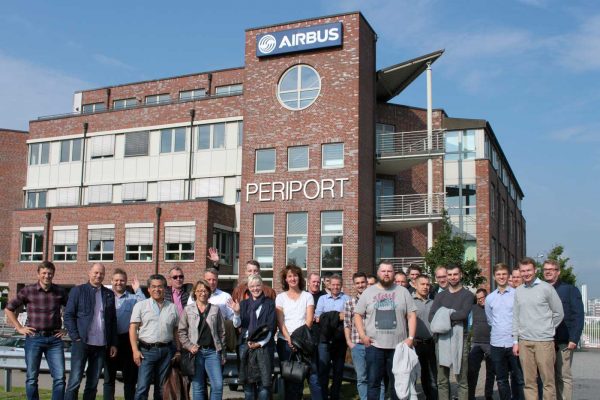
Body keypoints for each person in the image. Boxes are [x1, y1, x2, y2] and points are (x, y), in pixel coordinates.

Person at [5, 261, 68, 400]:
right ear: (38, 274)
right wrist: (19, 327)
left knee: (59, 378)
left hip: (54, 340)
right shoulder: (28, 291)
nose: (47, 276)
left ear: (53, 274)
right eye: (44, 273)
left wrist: (66, 329)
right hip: (34, 338)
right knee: (32, 378)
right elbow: (9, 308)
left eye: (50, 273)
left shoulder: (60, 292)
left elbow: (72, 310)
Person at [354, 261, 417, 400]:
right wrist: (363, 335)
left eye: (389, 271)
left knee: (398, 384)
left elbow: (412, 315)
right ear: (378, 273)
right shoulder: (368, 292)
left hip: (398, 347)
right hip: (375, 346)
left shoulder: (403, 292)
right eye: (383, 271)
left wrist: (411, 338)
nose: (386, 273)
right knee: (373, 384)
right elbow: (357, 314)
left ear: (393, 273)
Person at [512, 257, 564, 400]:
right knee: (529, 383)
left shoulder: (547, 288)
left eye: (528, 270)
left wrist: (547, 328)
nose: (526, 273)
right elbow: (516, 317)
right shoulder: (519, 291)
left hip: (544, 342)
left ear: (535, 270)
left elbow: (559, 312)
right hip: (524, 342)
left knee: (548, 382)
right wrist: (515, 341)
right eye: (523, 271)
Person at [63, 263, 117, 400]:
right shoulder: (78, 291)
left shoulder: (109, 294)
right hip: (81, 343)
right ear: (89, 273)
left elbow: (112, 321)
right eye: (96, 272)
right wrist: (75, 337)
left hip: (100, 345)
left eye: (101, 273)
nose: (98, 276)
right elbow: (68, 315)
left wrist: (113, 343)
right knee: (74, 381)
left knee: (92, 383)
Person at [428, 264, 474, 400]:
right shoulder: (440, 296)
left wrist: (443, 314)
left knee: (462, 380)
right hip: (441, 340)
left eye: (455, 274)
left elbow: (463, 315)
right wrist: (452, 315)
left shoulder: (468, 295)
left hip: (461, 339)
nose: (452, 277)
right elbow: (432, 317)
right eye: (450, 274)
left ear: (461, 275)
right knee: (442, 380)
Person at [130, 274, 179, 400]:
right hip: (146, 351)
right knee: (142, 387)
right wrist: (135, 351)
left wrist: (178, 350)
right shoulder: (141, 306)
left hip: (166, 351)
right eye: (154, 287)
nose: (157, 289)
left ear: (165, 288)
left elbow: (176, 330)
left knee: (161, 388)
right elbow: (133, 328)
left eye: (160, 287)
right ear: (148, 289)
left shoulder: (172, 307)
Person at [230, 274, 276, 400]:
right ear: (248, 288)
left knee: (264, 384)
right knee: (248, 384)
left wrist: (260, 343)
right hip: (245, 345)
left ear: (262, 286)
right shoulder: (243, 304)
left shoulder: (269, 303)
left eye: (257, 285)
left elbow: (271, 327)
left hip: (264, 346)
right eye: (252, 286)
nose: (255, 288)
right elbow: (237, 325)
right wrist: (237, 313)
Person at [543, 259, 584, 400]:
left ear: (558, 272)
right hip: (544, 341)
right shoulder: (540, 290)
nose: (548, 271)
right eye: (545, 269)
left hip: (563, 341)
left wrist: (574, 338)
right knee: (547, 377)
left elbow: (578, 315)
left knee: (563, 375)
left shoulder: (570, 290)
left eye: (551, 269)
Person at [275, 264, 318, 400]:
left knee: (304, 376)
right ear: (285, 279)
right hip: (285, 343)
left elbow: (309, 320)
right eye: (289, 276)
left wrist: (297, 341)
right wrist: (289, 339)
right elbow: (280, 322)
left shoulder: (307, 296)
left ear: (299, 278)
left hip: (303, 342)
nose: (293, 278)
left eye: (295, 275)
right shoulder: (280, 297)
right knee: (289, 377)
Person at [179, 279, 226, 400]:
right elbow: (182, 331)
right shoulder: (188, 309)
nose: (202, 293)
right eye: (199, 290)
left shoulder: (215, 309)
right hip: (196, 352)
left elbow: (222, 332)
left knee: (218, 385)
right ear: (194, 292)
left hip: (212, 352)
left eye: (205, 290)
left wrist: (223, 353)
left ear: (209, 292)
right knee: (198, 386)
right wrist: (189, 346)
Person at [103, 269, 146, 400]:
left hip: (127, 341)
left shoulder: (133, 298)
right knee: (109, 378)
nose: (119, 283)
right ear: (111, 281)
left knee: (130, 379)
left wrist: (138, 290)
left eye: (122, 280)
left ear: (126, 282)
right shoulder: (106, 297)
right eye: (116, 280)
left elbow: (145, 305)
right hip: (109, 340)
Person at [486, 263, 524, 400]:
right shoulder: (489, 298)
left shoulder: (517, 295)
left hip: (514, 342)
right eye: (498, 274)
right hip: (496, 344)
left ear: (508, 276)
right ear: (494, 277)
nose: (501, 277)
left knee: (519, 378)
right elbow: (490, 320)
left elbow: (521, 318)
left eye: (504, 274)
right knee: (501, 380)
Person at [315, 274, 349, 400]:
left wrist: (327, 317)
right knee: (323, 369)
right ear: (329, 285)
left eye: (338, 285)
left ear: (341, 285)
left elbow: (348, 317)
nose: (335, 287)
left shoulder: (347, 298)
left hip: (340, 340)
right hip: (324, 339)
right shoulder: (322, 299)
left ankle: (335, 395)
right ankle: (323, 395)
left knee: (338, 370)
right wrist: (337, 316)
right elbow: (318, 318)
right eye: (333, 284)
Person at [344, 272, 371, 400]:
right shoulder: (350, 303)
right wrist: (349, 342)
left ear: (367, 283)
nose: (360, 285)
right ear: (354, 285)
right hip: (357, 345)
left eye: (362, 282)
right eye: (358, 283)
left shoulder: (375, 300)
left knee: (377, 377)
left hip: (374, 344)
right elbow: (347, 324)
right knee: (362, 378)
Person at [412, 274, 437, 400]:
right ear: (415, 285)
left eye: (428, 284)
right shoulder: (409, 302)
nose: (425, 287)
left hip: (431, 343)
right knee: (413, 375)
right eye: (422, 284)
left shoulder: (434, 302)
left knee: (431, 375)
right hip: (415, 344)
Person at [467, 288, 494, 400]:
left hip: (491, 343)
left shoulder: (493, 308)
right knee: (472, 371)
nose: (481, 300)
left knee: (490, 372)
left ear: (487, 296)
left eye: (482, 297)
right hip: (476, 343)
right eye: (478, 299)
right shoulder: (473, 309)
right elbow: (468, 324)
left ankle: (488, 395)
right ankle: (471, 396)